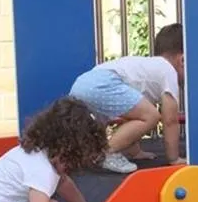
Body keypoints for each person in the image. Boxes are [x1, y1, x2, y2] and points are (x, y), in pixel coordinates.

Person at [69, 23, 186, 174]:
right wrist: (174, 158)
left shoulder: (147, 69)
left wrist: (135, 152)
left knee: (142, 114)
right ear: (182, 60)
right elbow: (170, 120)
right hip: (102, 83)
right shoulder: (168, 71)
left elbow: (131, 118)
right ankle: (108, 152)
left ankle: (110, 152)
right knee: (151, 116)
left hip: (85, 82)